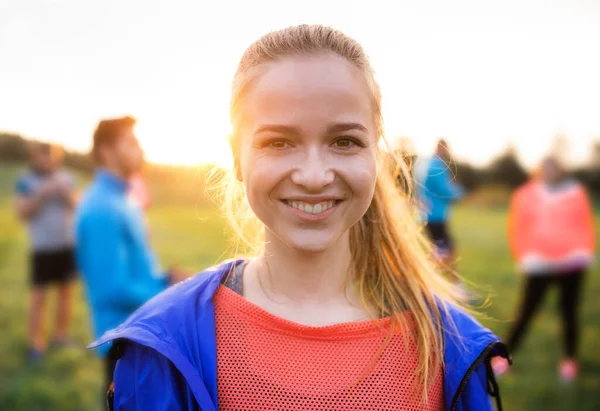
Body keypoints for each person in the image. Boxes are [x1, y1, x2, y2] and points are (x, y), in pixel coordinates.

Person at [91, 25, 509, 410]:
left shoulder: (447, 346)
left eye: (344, 140)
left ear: (375, 154)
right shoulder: (164, 344)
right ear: (237, 156)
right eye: (279, 142)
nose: (313, 176)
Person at [74, 116, 186, 395]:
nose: (141, 150)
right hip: (122, 348)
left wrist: (165, 280)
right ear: (106, 151)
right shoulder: (101, 206)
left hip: (141, 337)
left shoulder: (124, 199)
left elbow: (136, 272)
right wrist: (173, 295)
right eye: (132, 143)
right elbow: (113, 288)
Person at [492, 157, 594, 382]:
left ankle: (570, 360)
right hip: (539, 263)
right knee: (525, 312)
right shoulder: (526, 194)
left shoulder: (575, 192)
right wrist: (524, 255)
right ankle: (503, 358)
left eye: (554, 167)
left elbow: (584, 224)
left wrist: (584, 251)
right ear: (539, 170)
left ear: (561, 169)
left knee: (569, 313)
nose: (550, 172)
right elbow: (517, 227)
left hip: (572, 262)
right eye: (546, 168)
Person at [14, 142, 78, 363]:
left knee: (65, 293)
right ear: (35, 157)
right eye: (43, 156)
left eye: (51, 156)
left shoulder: (66, 178)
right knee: (38, 298)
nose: (47, 160)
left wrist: (64, 193)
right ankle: (36, 345)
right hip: (42, 248)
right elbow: (21, 212)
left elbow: (77, 206)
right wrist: (41, 194)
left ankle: (60, 336)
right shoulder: (26, 181)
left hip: (65, 245)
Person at [414, 139, 465, 271]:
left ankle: (438, 283)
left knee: (438, 250)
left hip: (426, 213)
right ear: (442, 147)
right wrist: (460, 192)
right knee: (446, 251)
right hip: (435, 215)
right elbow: (445, 190)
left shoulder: (424, 164)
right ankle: (448, 285)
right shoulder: (436, 166)